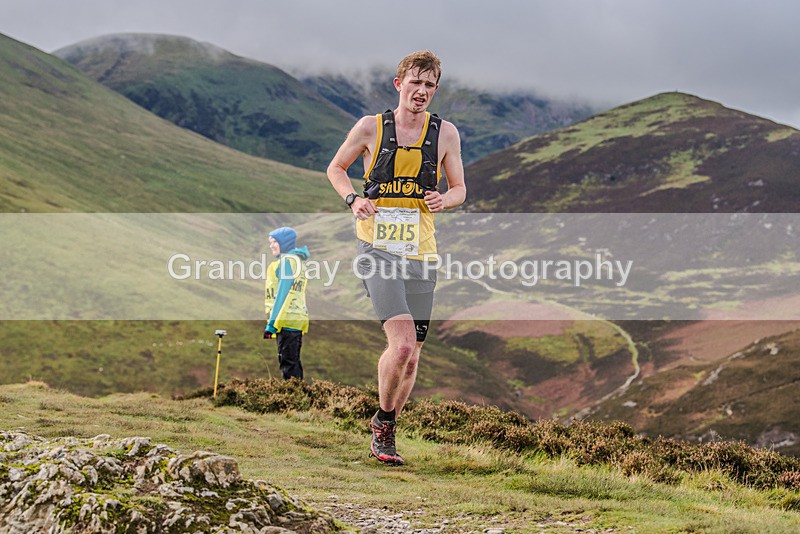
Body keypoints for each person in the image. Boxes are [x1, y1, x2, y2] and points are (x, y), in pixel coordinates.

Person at [326, 50, 466, 465]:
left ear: (435, 90)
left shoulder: (446, 134)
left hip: (421, 252)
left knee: (415, 353)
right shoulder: (371, 127)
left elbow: (460, 188)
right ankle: (383, 426)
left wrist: (446, 198)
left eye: (429, 85)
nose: (421, 91)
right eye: (415, 82)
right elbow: (336, 168)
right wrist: (353, 199)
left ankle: (386, 428)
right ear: (398, 84)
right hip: (377, 248)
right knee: (402, 345)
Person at [264, 226, 310, 380]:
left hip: (285, 319)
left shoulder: (286, 262)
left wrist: (271, 324)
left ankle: (293, 400)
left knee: (288, 365)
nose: (271, 245)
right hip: (296, 319)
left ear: (284, 243)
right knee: (293, 362)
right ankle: (299, 398)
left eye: (275, 242)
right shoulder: (297, 261)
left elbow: (282, 295)